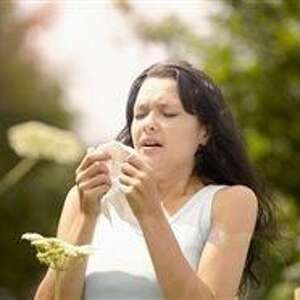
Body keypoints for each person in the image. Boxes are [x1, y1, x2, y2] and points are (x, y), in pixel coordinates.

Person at [34, 61, 279, 300]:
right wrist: (87, 217)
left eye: (168, 113)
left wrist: (151, 214)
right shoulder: (86, 200)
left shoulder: (230, 202)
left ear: (204, 132)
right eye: (139, 115)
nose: (149, 124)